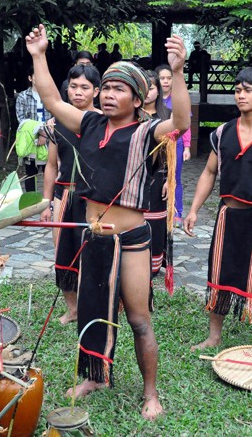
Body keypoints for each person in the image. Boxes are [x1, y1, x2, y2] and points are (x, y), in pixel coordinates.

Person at [26, 24, 191, 420]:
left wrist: (179, 72)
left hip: (131, 238)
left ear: (137, 99)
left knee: (137, 318)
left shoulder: (149, 131)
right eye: (107, 88)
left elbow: (182, 121)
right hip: (93, 236)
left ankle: (150, 392)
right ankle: (95, 375)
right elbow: (50, 98)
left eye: (120, 89)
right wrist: (38, 55)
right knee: (93, 310)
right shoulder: (90, 122)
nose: (109, 94)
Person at [184, 67, 252, 350]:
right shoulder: (223, 133)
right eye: (237, 90)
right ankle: (214, 336)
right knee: (218, 275)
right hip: (226, 215)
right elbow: (209, 172)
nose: (240, 95)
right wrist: (194, 209)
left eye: (248, 90)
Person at [40, 63, 102, 324]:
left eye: (84, 87)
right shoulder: (56, 124)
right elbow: (52, 166)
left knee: (94, 253)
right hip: (64, 196)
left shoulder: (103, 122)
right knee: (63, 253)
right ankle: (73, 309)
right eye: (73, 86)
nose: (77, 92)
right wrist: (46, 203)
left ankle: (95, 309)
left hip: (94, 198)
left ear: (96, 91)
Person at [142, 71, 170, 278]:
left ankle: (153, 262)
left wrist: (170, 179)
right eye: (143, 87)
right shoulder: (131, 115)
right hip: (133, 175)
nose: (147, 92)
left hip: (158, 174)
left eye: (151, 87)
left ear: (158, 90)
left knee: (156, 218)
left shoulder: (166, 116)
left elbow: (171, 153)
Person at [157, 64, 191, 225]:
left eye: (168, 78)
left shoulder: (177, 99)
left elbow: (186, 124)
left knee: (174, 178)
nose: (165, 81)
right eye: (162, 78)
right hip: (156, 144)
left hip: (174, 143)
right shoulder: (152, 99)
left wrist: (187, 146)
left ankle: (177, 211)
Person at [15, 66, 52, 192]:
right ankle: (31, 204)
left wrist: (45, 135)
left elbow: (55, 117)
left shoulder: (50, 95)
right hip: (31, 140)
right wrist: (39, 132)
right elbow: (21, 120)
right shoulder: (23, 96)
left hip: (49, 140)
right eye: (36, 75)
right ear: (30, 78)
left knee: (49, 171)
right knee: (30, 173)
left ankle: (49, 202)